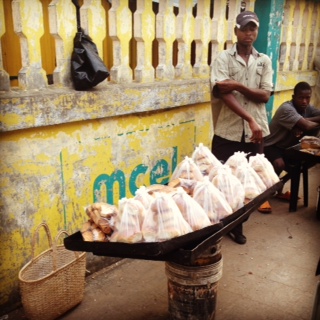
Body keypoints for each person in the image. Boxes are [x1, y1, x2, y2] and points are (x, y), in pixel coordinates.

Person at [210, 11, 274, 244]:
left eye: (253, 29)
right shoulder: (223, 59)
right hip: (227, 131)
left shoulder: (264, 61)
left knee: (248, 185)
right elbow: (223, 93)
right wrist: (249, 117)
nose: (249, 33)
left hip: (255, 133)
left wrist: (237, 84)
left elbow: (265, 95)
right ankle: (219, 224)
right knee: (220, 179)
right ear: (236, 31)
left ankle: (238, 226)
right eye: (244, 29)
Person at [258, 81, 320, 213]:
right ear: (293, 97)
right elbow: (308, 126)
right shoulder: (286, 109)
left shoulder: (308, 109)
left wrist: (305, 121)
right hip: (271, 145)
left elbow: (310, 123)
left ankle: (277, 190)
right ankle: (262, 197)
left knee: (300, 164)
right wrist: (305, 123)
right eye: (301, 98)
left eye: (307, 97)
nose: (304, 101)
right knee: (279, 164)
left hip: (287, 147)